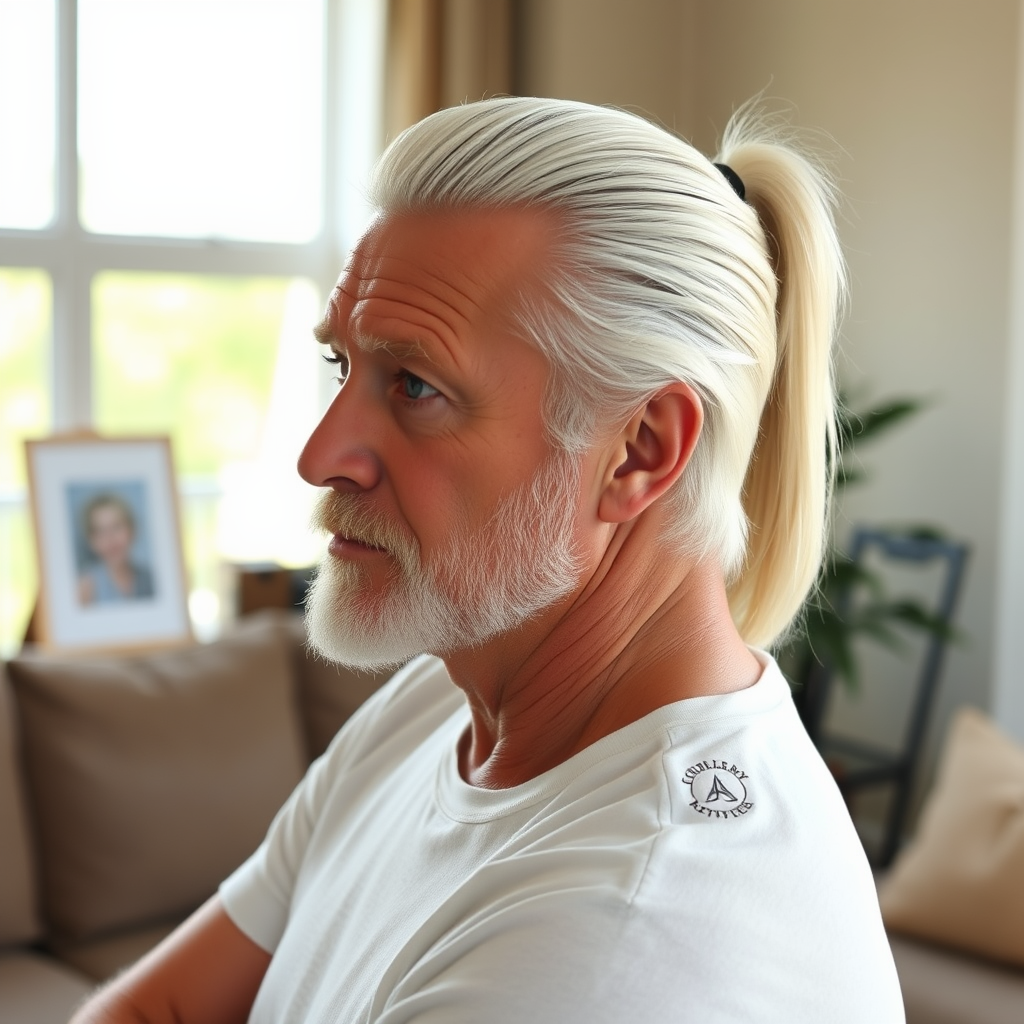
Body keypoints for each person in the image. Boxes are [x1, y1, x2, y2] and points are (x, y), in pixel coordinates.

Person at [70, 97, 905, 1023]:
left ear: (638, 451)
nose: (319, 456)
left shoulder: (629, 943)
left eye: (416, 385)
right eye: (343, 369)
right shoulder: (447, 696)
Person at [77, 492, 155, 605]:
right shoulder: (85, 588)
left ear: (132, 529)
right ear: (91, 541)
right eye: (101, 531)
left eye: (117, 527)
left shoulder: (151, 579)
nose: (110, 539)